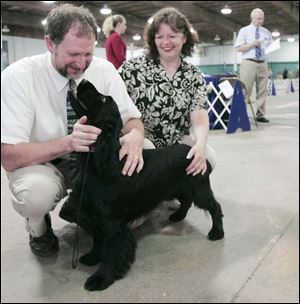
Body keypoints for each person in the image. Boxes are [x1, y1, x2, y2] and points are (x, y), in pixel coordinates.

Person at [1, 4, 145, 257]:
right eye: (73, 54)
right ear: (50, 44)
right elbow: (8, 155)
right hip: (45, 163)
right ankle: (39, 229)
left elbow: (132, 119)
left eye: (88, 54)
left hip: (96, 162)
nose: (81, 64)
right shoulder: (17, 76)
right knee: (35, 194)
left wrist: (136, 135)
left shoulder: (104, 70)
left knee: (145, 151)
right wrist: (68, 143)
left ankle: (97, 213)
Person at [119, 7, 216, 177]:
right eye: (159, 37)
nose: (166, 42)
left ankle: (172, 190)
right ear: (152, 39)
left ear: (184, 38)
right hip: (142, 141)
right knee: (146, 150)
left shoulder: (193, 74)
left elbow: (199, 115)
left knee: (209, 156)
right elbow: (115, 105)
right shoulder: (131, 69)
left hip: (175, 144)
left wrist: (200, 144)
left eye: (172, 36)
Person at [235, 8, 273, 123]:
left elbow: (269, 45)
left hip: (263, 63)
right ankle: (241, 114)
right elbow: (238, 48)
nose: (261, 21)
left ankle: (260, 115)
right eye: (259, 18)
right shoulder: (244, 31)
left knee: (262, 90)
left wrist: (271, 45)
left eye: (262, 18)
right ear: (252, 18)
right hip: (249, 63)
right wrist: (252, 44)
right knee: (246, 89)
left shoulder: (266, 32)